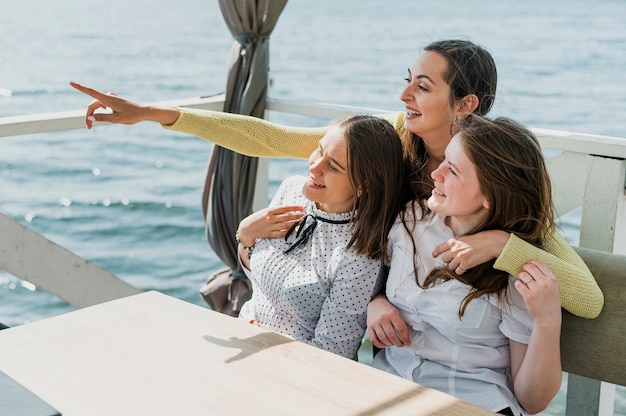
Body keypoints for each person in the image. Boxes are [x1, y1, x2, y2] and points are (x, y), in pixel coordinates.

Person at [69, 38, 604, 322]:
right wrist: (154, 114)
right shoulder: (394, 138)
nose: (403, 98)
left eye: (421, 87)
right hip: (363, 318)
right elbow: (275, 139)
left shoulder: (496, 173)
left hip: (463, 348)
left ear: (465, 104)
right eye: (406, 82)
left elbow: (588, 297)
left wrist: (499, 242)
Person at [372, 114, 562, 415]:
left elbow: (532, 401)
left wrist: (548, 321)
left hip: (472, 404)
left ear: (490, 195)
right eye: (443, 160)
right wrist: (377, 302)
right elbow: (365, 277)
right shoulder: (410, 220)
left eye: (454, 171)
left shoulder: (516, 268)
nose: (436, 174)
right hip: (388, 389)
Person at [234, 115, 406, 359]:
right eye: (319, 150)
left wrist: (265, 346)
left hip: (292, 371)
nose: (314, 167)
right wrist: (245, 235)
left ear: (363, 185)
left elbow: (332, 353)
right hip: (244, 336)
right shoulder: (292, 190)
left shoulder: (358, 255)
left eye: (333, 166)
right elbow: (263, 278)